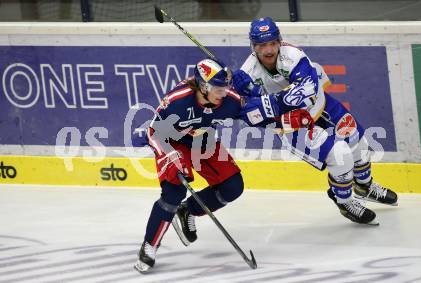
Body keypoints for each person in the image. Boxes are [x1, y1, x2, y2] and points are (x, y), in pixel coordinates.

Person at [132, 58, 312, 273]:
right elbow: (154, 132)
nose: (225, 92)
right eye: (219, 88)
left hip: (203, 140)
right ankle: (149, 245)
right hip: (172, 143)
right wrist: (168, 156)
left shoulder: (230, 100)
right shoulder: (177, 101)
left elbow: (255, 116)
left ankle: (188, 210)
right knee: (173, 192)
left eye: (226, 86)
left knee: (232, 186)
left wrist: (285, 120)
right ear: (204, 86)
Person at [233, 17, 398, 226]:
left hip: (319, 105)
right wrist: (245, 96)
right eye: (262, 45)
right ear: (253, 46)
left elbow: (306, 91)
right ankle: (345, 201)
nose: (268, 50)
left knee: (359, 142)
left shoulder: (293, 56)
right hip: (293, 126)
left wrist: (259, 98)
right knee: (340, 155)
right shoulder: (248, 72)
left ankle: (364, 186)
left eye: (272, 43)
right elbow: (248, 115)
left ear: (279, 41)